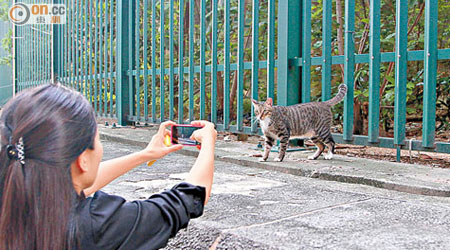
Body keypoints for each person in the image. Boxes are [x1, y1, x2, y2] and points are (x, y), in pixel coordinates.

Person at [0, 83, 216, 250]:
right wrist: (208, 142)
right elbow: (189, 198)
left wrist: (145, 155)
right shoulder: (95, 225)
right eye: (98, 139)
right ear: (82, 159)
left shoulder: (14, 194)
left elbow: (70, 182)